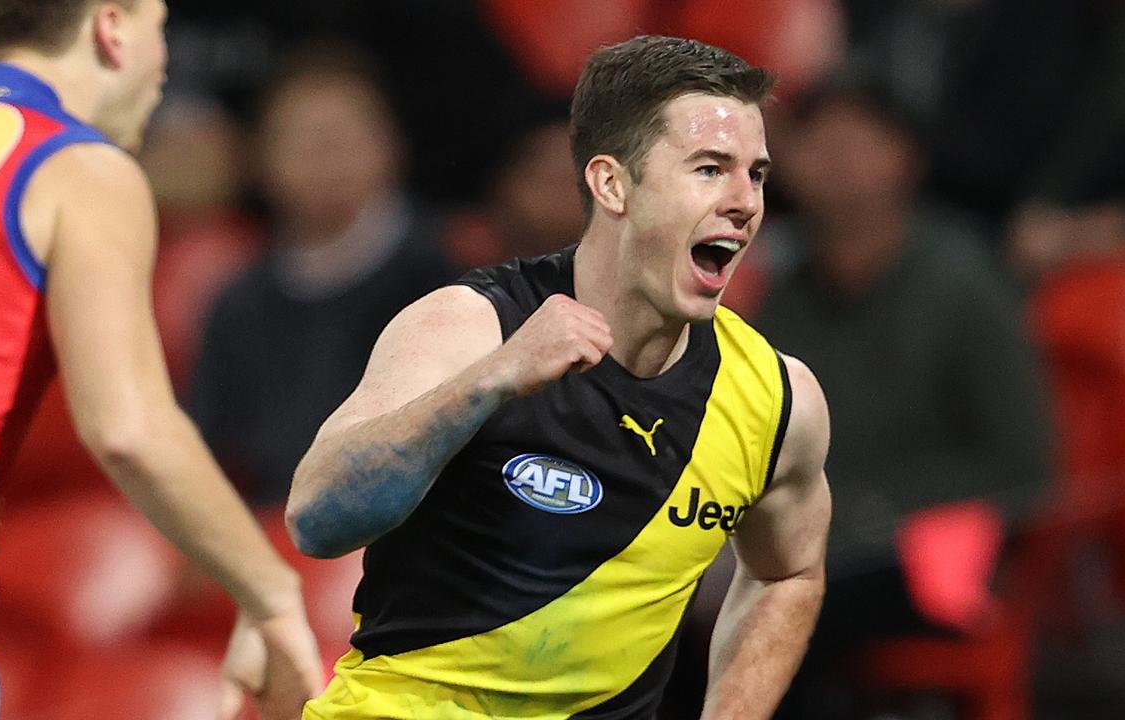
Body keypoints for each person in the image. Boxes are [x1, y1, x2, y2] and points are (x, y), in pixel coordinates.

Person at [287, 35, 832, 719]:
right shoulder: (470, 328)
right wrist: (488, 383)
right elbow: (317, 518)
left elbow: (787, 572)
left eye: (755, 173)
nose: (744, 201)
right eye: (709, 168)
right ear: (611, 184)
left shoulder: (777, 401)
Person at [0, 2, 321, 718]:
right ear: (113, 27)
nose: (163, 73)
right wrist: (272, 592)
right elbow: (129, 428)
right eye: (161, 29)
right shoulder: (76, 167)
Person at [756, 77, 1051, 718]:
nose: (837, 160)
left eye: (860, 141)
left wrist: (869, 505)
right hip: (819, 542)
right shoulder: (782, 299)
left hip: (947, 553)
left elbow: (1022, 460)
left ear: (907, 157)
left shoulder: (966, 284)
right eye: (818, 141)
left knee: (779, 604)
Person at [188, 41, 458, 507]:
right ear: (260, 160)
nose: (325, 163)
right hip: (279, 528)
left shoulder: (444, 278)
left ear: (391, 146)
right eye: (303, 143)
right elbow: (206, 449)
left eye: (343, 140)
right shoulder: (239, 301)